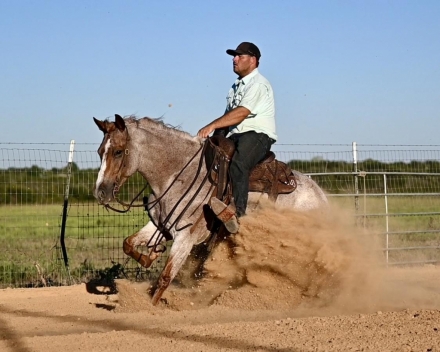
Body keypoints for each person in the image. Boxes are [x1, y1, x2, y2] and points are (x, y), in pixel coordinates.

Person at [197, 42, 277, 232]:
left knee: (239, 163)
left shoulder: (258, 84)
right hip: (237, 134)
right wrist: (212, 139)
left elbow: (241, 113)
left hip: (258, 134)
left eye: (239, 56)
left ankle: (238, 216)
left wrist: (212, 125)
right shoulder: (235, 86)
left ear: (253, 60)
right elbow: (227, 118)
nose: (234, 59)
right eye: (234, 56)